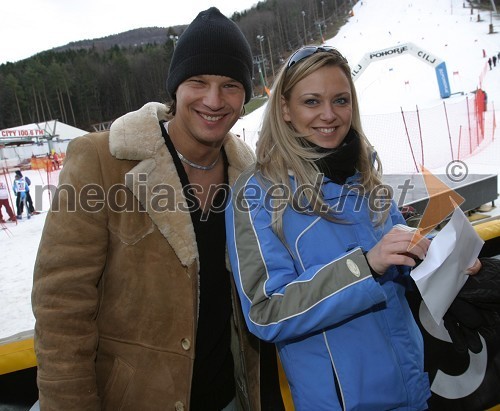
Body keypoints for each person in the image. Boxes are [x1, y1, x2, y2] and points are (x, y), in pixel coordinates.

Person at [32, 8, 283, 411]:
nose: (214, 100)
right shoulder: (102, 160)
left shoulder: (250, 177)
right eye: (198, 82)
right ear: (175, 87)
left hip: (227, 399)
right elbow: (61, 307)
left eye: (230, 85)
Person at [225, 46, 480, 410]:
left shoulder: (362, 172)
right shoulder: (257, 192)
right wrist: (364, 266)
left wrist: (440, 253)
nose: (329, 115)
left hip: (413, 388)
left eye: (340, 100)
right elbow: (265, 311)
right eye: (312, 101)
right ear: (285, 109)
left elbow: (397, 259)